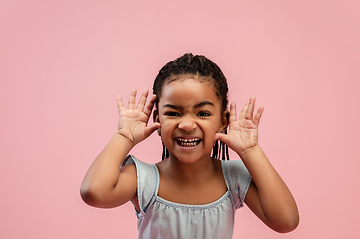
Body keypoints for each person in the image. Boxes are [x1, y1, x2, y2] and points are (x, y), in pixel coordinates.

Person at [80, 53, 299, 238]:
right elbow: (94, 192)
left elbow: (286, 221)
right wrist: (124, 136)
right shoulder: (144, 180)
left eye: (203, 113)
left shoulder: (233, 177)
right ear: (158, 119)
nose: (186, 125)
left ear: (223, 121)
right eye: (173, 113)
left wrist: (250, 150)